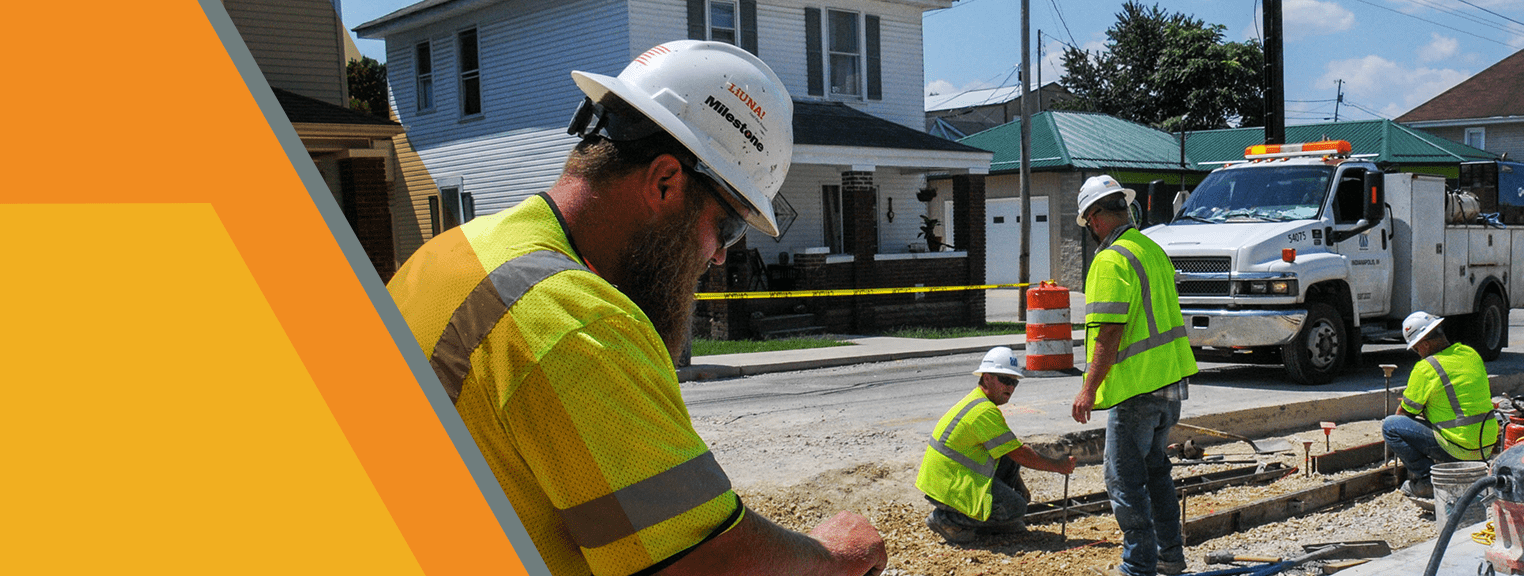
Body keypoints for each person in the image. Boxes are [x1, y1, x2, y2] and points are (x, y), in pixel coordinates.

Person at [386, 41, 886, 576]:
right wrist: (832, 557)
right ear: (666, 181)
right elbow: (702, 564)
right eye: (729, 227)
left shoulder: (451, 253)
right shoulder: (573, 320)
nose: (719, 257)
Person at [1070, 175, 1200, 576]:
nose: (1091, 229)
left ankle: (1138, 566)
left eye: (1089, 222)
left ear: (1094, 218)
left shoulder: (1111, 260)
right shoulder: (1150, 249)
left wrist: (1088, 390)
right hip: (1170, 385)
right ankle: (1170, 557)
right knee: (1156, 471)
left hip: (1136, 390)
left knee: (1125, 482)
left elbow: (1110, 331)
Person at [917, 347, 1078, 543]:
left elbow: (1011, 452)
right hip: (946, 487)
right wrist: (1058, 466)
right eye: (1005, 380)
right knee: (1017, 507)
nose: (1010, 387)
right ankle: (948, 520)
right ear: (986, 378)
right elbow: (1022, 455)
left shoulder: (980, 402)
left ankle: (998, 519)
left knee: (1008, 457)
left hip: (948, 478)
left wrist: (1019, 486)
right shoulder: (983, 411)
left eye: (1014, 383)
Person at [1381, 312, 1500, 499]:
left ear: (1425, 344)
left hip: (1461, 448)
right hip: (1485, 444)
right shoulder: (1470, 353)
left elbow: (1403, 415)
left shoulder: (1426, 368)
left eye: (1416, 349)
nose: (1418, 353)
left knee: (1390, 426)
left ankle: (1429, 481)